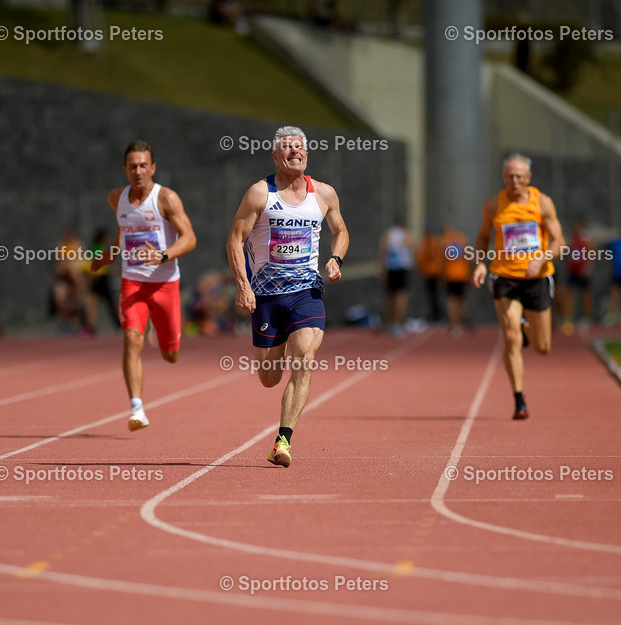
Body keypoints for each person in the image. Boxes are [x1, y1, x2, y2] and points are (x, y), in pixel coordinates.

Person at [225, 125, 349, 467]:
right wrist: (243, 285)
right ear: (276, 156)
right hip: (265, 296)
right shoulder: (259, 194)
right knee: (268, 378)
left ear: (307, 154)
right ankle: (272, 355)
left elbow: (340, 230)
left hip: (306, 292)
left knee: (305, 360)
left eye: (300, 147)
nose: (295, 152)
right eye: (287, 148)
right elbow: (235, 240)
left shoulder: (323, 194)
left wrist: (336, 259)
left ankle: (283, 440)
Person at [92, 140, 197, 431]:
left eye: (143, 165)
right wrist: (107, 257)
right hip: (132, 283)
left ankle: (160, 333)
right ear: (124, 169)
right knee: (131, 340)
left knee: (170, 354)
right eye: (132, 166)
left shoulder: (167, 199)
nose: (138, 171)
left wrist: (163, 254)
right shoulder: (116, 198)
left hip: (165, 285)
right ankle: (136, 408)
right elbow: (122, 234)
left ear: (152, 168)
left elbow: (190, 238)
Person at [472, 153, 565, 420]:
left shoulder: (543, 202)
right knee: (510, 335)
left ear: (528, 178)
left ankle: (528, 329)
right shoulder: (492, 206)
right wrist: (480, 263)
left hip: (537, 278)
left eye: (519, 177)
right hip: (504, 277)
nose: (514, 181)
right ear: (503, 178)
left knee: (543, 347)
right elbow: (481, 238)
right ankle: (519, 399)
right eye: (509, 176)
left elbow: (559, 241)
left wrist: (542, 258)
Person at [377, 223, 414, 337]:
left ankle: (392, 322)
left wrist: (381, 267)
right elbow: (414, 250)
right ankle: (398, 323)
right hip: (402, 268)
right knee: (401, 296)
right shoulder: (407, 235)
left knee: (391, 296)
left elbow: (382, 250)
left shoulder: (388, 234)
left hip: (391, 268)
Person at [560, 219, 594, 335]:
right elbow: (568, 253)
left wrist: (587, 267)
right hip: (572, 270)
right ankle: (569, 317)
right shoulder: (572, 238)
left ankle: (587, 317)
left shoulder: (586, 238)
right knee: (569, 293)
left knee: (585, 294)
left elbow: (591, 252)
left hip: (582, 270)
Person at [441, 224, 471, 337]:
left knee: (451, 300)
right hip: (462, 274)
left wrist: (442, 275)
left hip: (450, 275)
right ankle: (459, 323)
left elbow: (442, 260)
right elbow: (469, 256)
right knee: (461, 299)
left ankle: (454, 323)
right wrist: (470, 272)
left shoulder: (445, 240)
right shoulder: (463, 239)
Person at [415, 225, 443, 324]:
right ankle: (434, 315)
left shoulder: (432, 243)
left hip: (433, 273)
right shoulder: (427, 243)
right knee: (432, 296)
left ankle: (436, 316)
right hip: (429, 273)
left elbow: (435, 258)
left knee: (434, 295)